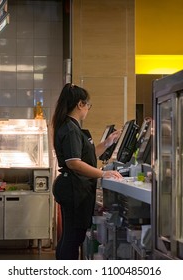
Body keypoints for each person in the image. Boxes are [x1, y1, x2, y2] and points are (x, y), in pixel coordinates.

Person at [51, 83, 123, 260]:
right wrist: (103, 174)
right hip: (72, 187)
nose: (88, 110)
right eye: (88, 105)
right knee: (72, 238)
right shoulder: (70, 129)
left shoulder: (71, 127)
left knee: (71, 236)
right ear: (80, 104)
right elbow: (74, 163)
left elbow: (85, 156)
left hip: (73, 186)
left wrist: (107, 143)